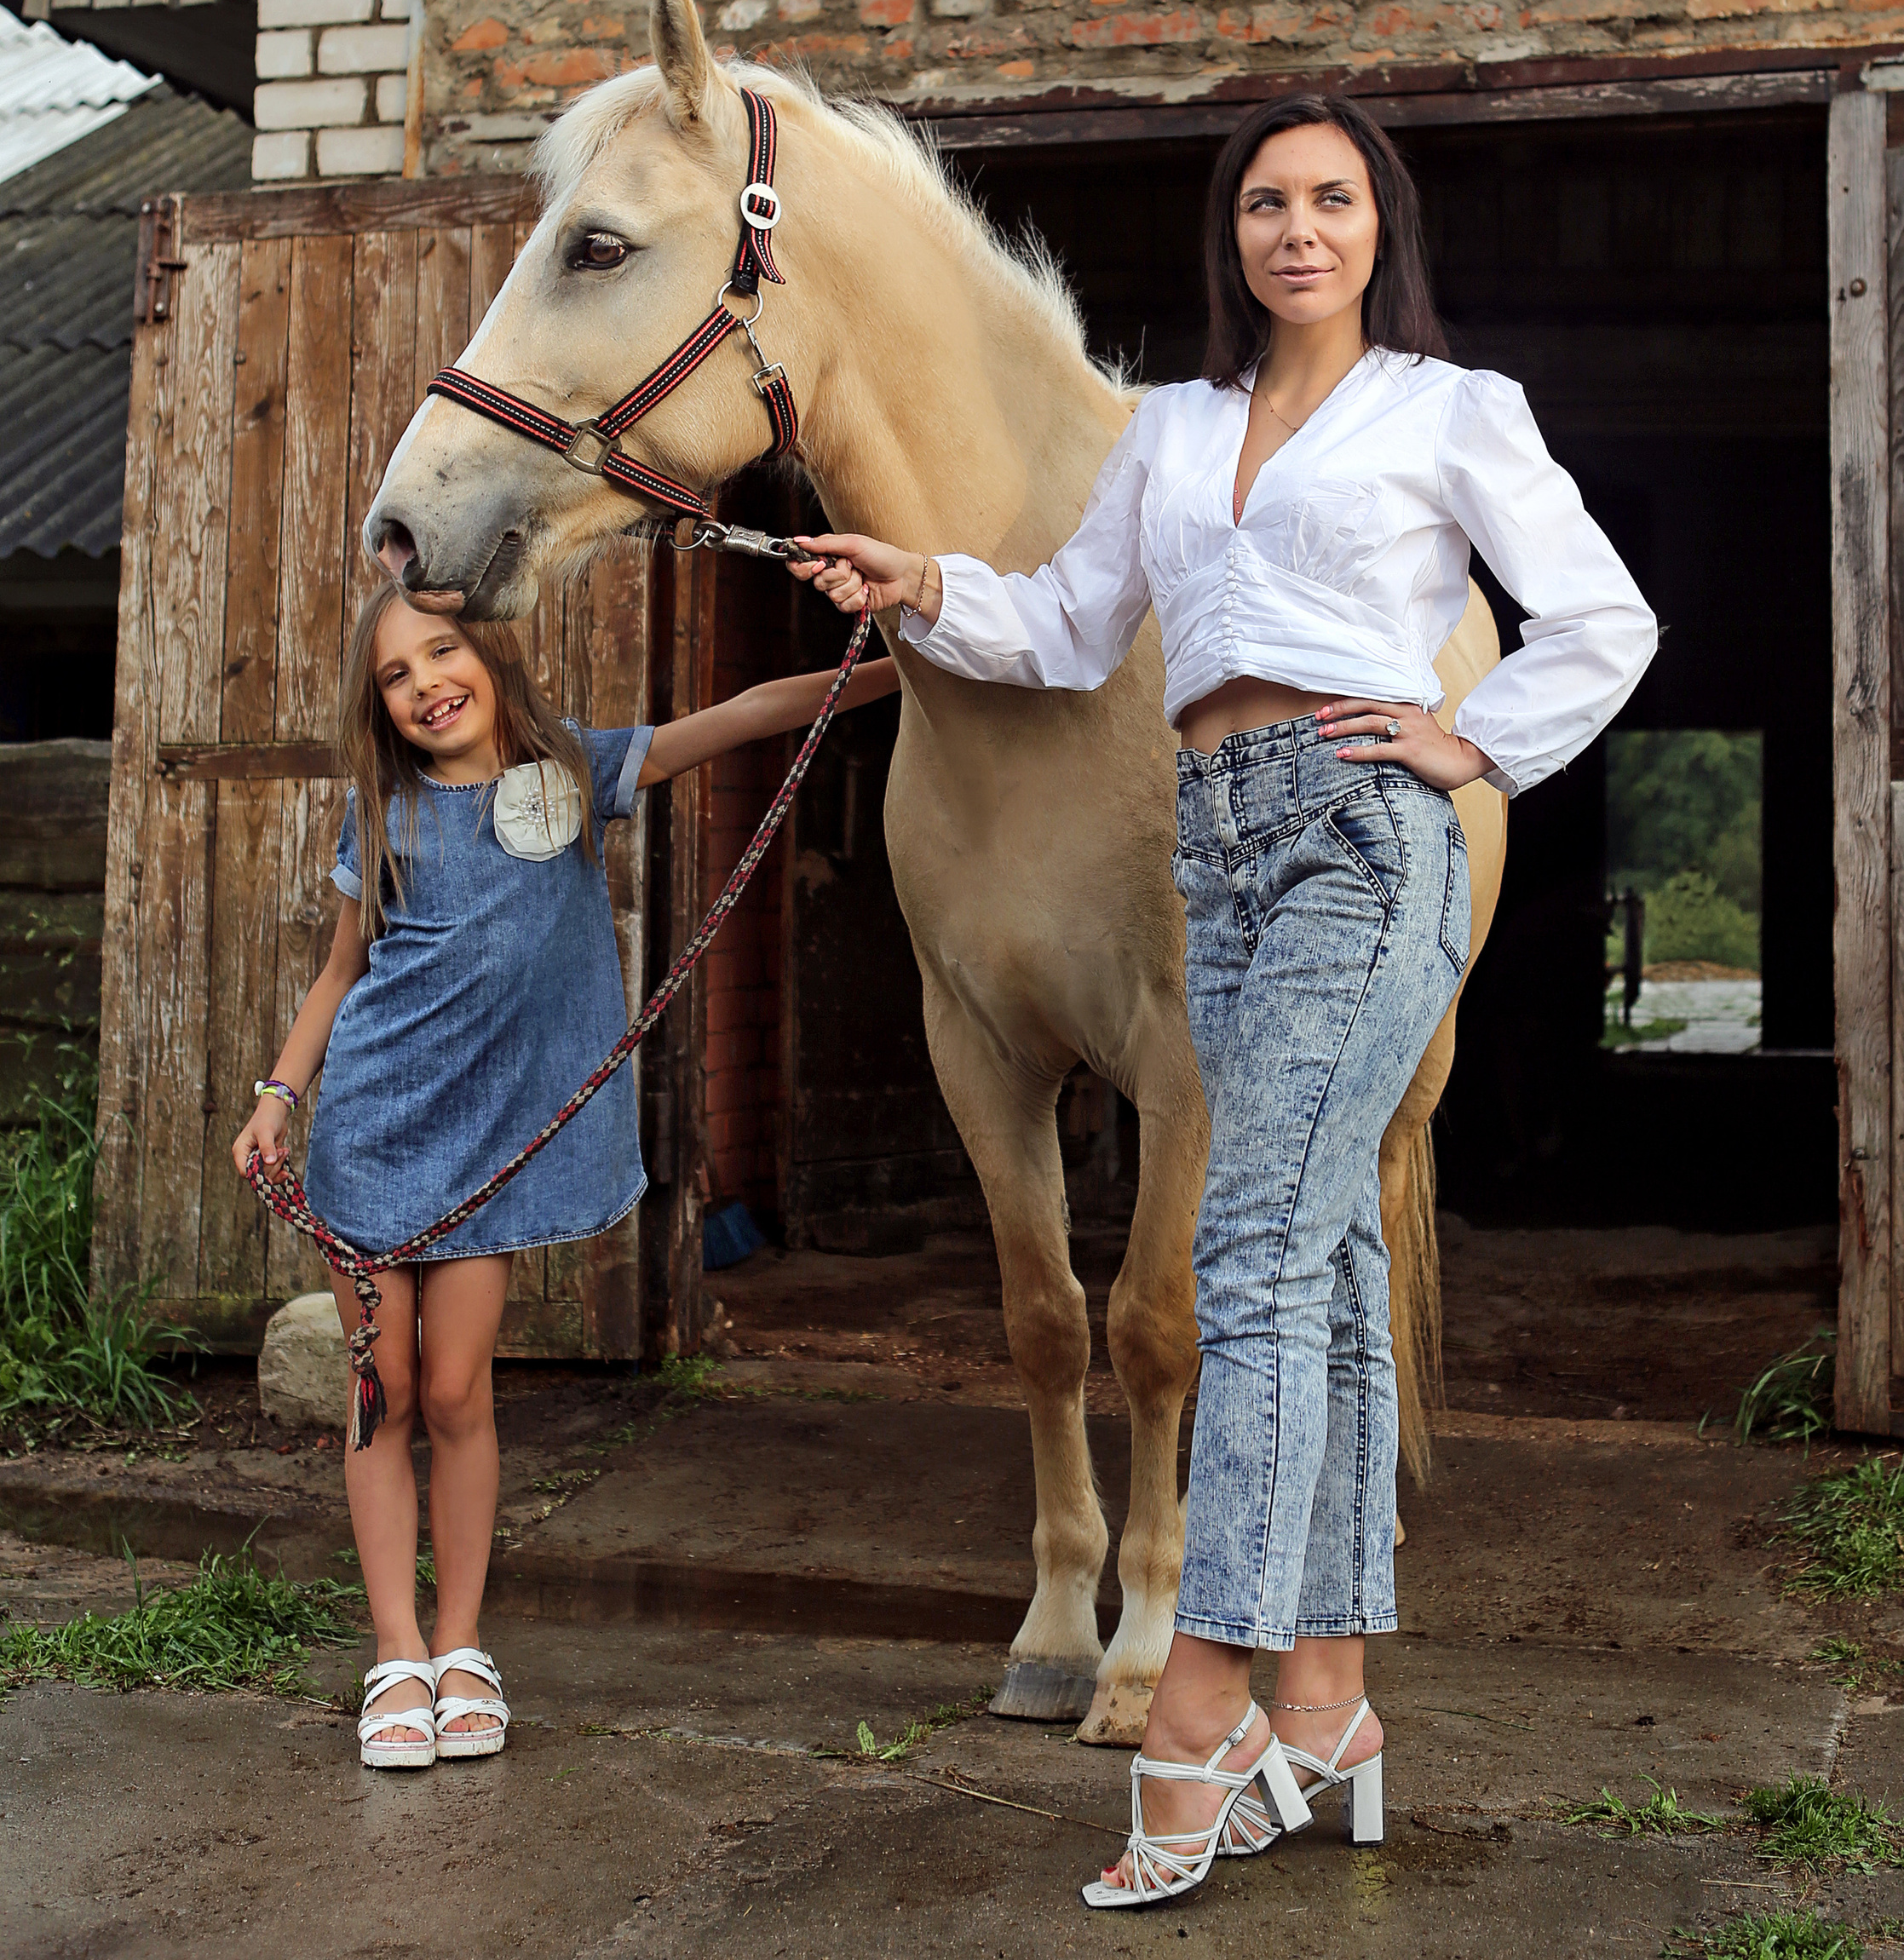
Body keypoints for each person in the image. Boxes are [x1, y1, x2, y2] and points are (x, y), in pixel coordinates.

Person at [792, 91, 1655, 1907]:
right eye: (1266, 202)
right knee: (1329, 1264)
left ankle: (1199, 1700)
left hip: (1361, 830)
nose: (1297, 230)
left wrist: (1465, 740)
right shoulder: (1172, 433)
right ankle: (1328, 1693)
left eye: (1332, 198)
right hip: (1215, 842)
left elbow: (1602, 619)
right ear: (1232, 239)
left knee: (1243, 1252)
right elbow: (1065, 628)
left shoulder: (1448, 412)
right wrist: (916, 581)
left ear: (1375, 227)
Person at [232, 582, 897, 1771]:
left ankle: (461, 1641)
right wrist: (280, 1096)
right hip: (375, 1130)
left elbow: (743, 713)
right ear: (378, 705)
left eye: (444, 650)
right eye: (397, 672)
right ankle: (394, 1653)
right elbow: (342, 972)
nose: (428, 680)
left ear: (487, 654)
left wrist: (898, 662)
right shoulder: (379, 805)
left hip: (492, 1147)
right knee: (379, 1387)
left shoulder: (567, 772)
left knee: (454, 1388)